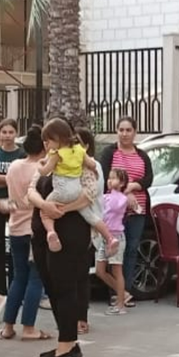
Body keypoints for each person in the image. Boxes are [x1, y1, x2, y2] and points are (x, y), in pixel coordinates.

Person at [28, 162, 93, 357]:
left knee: (65, 288)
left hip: (68, 233)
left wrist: (62, 209)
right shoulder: (44, 165)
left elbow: (89, 194)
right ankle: (69, 342)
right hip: (42, 233)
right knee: (53, 289)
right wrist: (44, 204)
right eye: (46, 141)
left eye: (52, 140)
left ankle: (65, 345)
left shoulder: (82, 165)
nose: (48, 145)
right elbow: (30, 190)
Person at [0, 125, 51, 342]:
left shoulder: (14, 166)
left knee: (18, 277)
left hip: (15, 227)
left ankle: (8, 326)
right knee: (35, 278)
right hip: (34, 229)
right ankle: (29, 327)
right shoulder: (40, 170)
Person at [38, 118, 115, 255]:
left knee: (44, 212)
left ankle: (51, 232)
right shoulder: (79, 149)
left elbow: (45, 171)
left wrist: (40, 166)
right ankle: (109, 238)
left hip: (61, 189)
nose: (47, 144)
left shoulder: (56, 154)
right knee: (90, 216)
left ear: (57, 138)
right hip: (77, 190)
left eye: (49, 141)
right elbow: (90, 163)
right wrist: (95, 170)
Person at [99, 116, 154, 306]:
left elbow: (149, 178)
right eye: (121, 130)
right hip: (114, 211)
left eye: (128, 130)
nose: (124, 134)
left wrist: (133, 187)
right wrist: (124, 193)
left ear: (134, 132)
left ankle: (127, 291)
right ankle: (115, 292)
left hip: (137, 209)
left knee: (131, 249)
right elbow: (104, 177)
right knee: (114, 252)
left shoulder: (142, 155)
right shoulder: (109, 153)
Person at [0, 119, 25, 295]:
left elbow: (20, 182)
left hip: (16, 204)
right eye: (4, 132)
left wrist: (0, 178)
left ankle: (16, 288)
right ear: (0, 133)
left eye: (11, 132)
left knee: (16, 248)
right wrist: (6, 180)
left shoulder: (22, 154)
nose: (8, 136)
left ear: (16, 133)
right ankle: (0, 291)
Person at [95, 169, 138, 316]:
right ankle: (123, 293)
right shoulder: (106, 196)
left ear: (122, 183)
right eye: (109, 178)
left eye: (114, 178)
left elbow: (113, 208)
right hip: (104, 237)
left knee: (116, 270)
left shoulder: (121, 198)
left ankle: (120, 304)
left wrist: (127, 193)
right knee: (100, 270)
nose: (109, 181)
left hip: (116, 237)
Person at [74, 127, 103, 335]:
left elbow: (89, 194)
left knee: (81, 276)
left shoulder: (94, 167)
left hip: (88, 225)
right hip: (72, 225)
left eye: (77, 144)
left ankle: (81, 318)